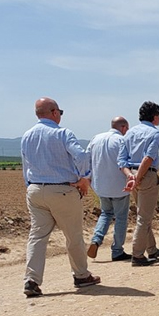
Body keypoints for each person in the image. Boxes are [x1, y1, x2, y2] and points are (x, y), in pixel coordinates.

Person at [20, 97, 100, 298]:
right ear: (54, 112)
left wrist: (31, 186)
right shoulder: (63, 133)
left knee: (37, 237)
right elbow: (81, 157)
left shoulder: (27, 136)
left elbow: (25, 167)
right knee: (73, 236)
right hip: (63, 190)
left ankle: (31, 280)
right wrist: (85, 178)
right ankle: (81, 275)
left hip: (36, 190)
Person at [119, 101, 159, 267]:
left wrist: (131, 177)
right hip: (146, 176)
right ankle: (137, 254)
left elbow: (121, 161)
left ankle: (151, 249)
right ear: (155, 116)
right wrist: (138, 177)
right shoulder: (155, 133)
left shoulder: (129, 134)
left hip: (131, 175)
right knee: (144, 217)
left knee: (142, 213)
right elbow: (148, 158)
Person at [86, 116, 133, 261]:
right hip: (119, 186)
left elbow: (86, 158)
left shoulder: (96, 138)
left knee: (105, 213)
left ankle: (96, 240)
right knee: (120, 218)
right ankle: (117, 250)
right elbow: (128, 161)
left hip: (100, 185)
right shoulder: (122, 141)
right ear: (124, 127)